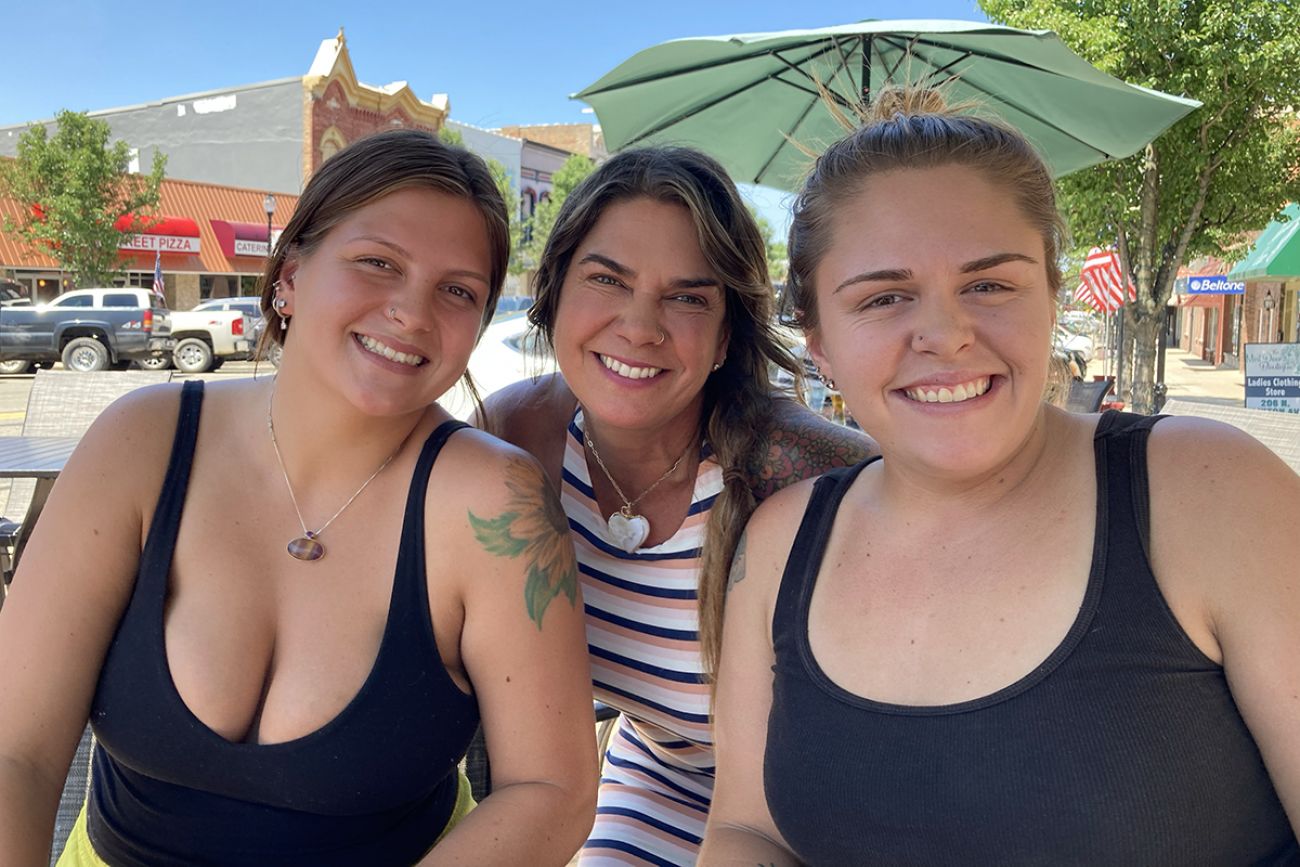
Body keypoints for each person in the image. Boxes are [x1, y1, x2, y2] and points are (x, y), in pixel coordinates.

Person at [702, 89, 1300, 864]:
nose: (946, 335)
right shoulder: (779, 546)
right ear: (818, 341)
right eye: (885, 298)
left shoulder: (1212, 491)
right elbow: (747, 828)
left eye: (989, 284)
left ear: (1052, 294)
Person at [0, 129, 597, 866]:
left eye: (458, 290)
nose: (413, 312)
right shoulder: (142, 443)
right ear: (288, 275)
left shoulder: (495, 502)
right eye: (377, 262)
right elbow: (15, 748)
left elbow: (553, 786)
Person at [481, 146, 874, 865]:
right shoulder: (512, 444)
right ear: (555, 291)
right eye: (607, 279)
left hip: (836, 806)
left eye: (687, 296)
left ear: (727, 334)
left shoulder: (801, 472)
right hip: (661, 778)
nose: (640, 326)